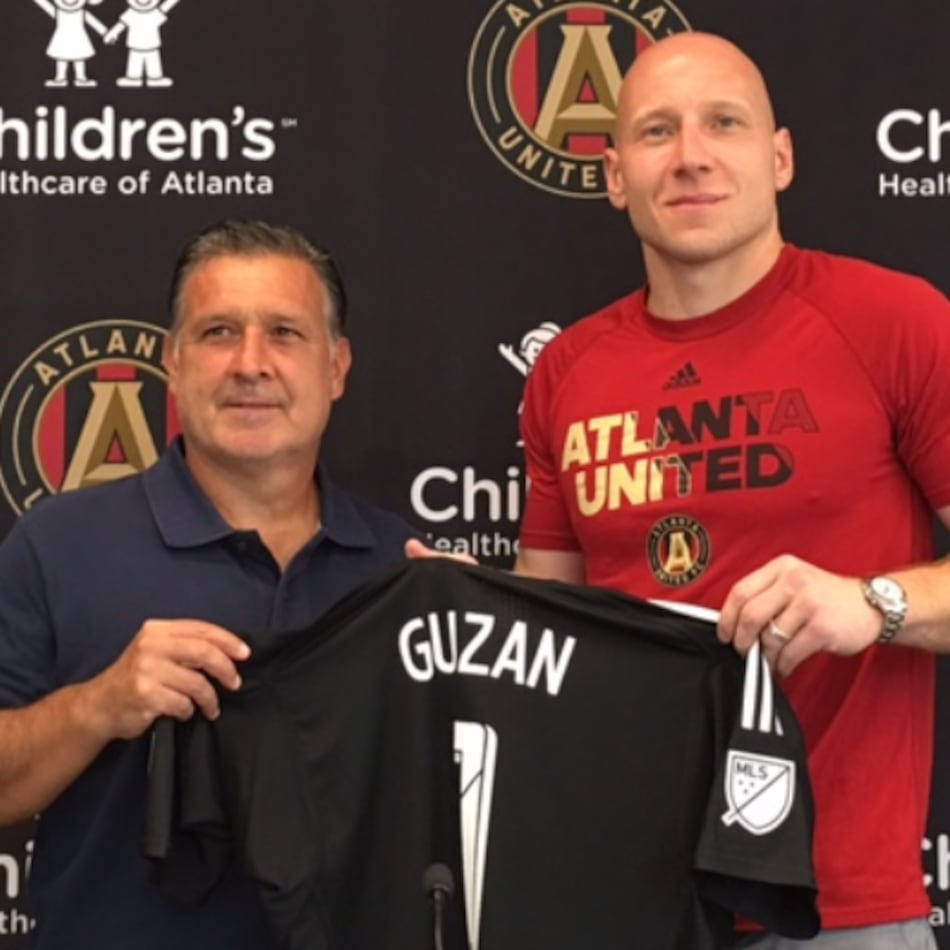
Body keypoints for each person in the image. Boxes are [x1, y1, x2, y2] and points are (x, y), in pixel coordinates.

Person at [511, 31, 950, 950]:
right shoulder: (566, 372)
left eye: (724, 123)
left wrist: (873, 601)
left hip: (836, 911)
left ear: (779, 156)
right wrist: (465, 617)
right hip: (623, 895)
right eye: (656, 132)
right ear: (615, 176)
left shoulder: (897, 322)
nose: (691, 156)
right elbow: (544, 632)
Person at [0, 219, 419, 949]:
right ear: (172, 359)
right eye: (219, 332)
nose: (250, 364)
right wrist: (99, 704)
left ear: (337, 367)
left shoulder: (403, 570)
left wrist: (475, 652)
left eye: (285, 334)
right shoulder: (57, 544)